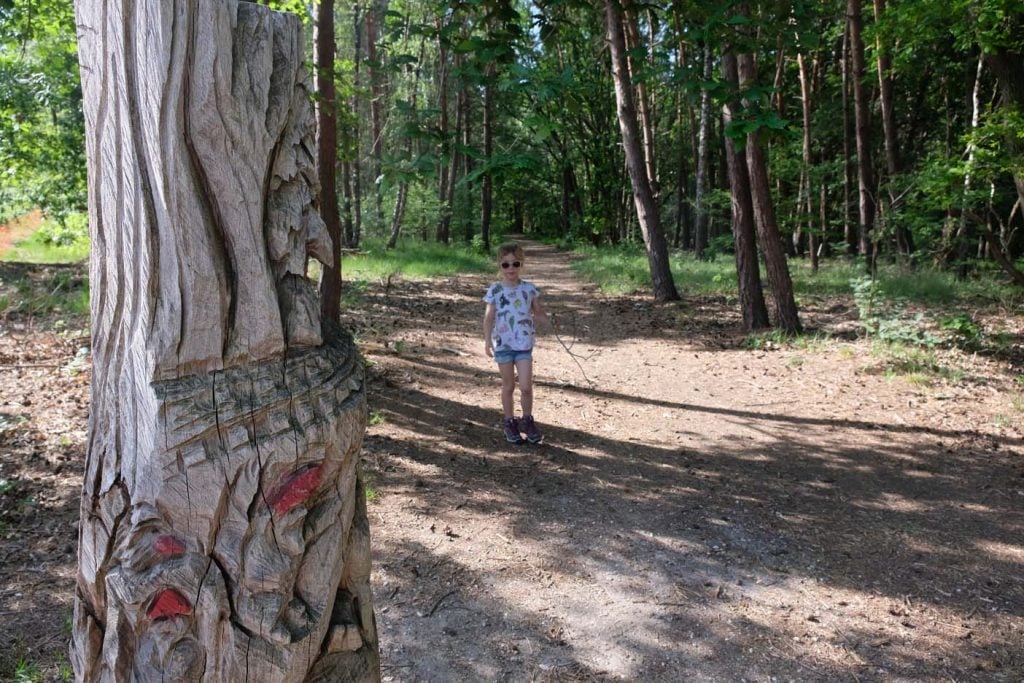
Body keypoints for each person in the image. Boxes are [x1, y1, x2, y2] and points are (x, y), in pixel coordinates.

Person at [483, 242, 549, 444]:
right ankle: (509, 422)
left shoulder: (529, 289)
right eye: (506, 265)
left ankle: (527, 420)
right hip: (503, 345)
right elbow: (488, 318)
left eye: (515, 263)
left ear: (521, 264)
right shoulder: (495, 290)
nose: (511, 268)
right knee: (509, 385)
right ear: (499, 266)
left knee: (526, 386)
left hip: (523, 345)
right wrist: (487, 341)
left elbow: (537, 312)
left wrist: (547, 320)